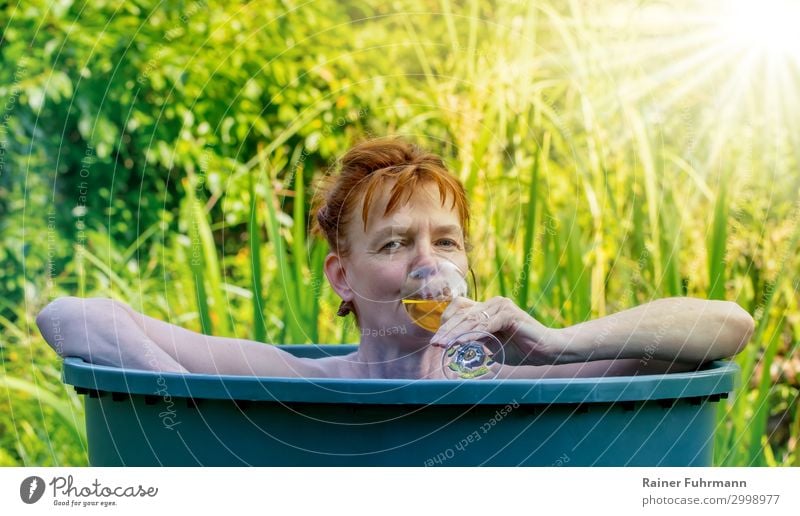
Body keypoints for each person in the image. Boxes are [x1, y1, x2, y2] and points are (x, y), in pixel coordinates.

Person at [36, 136, 754, 379]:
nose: (426, 261)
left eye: (446, 240)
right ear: (341, 276)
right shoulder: (302, 381)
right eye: (394, 243)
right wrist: (199, 411)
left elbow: (725, 324)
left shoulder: (518, 374)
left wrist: (558, 343)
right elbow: (72, 317)